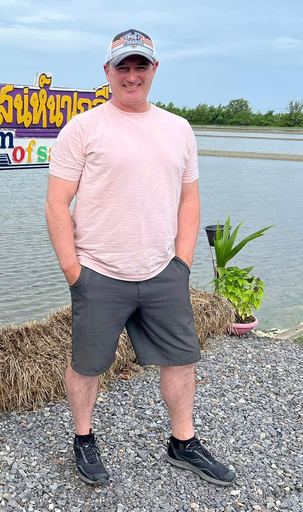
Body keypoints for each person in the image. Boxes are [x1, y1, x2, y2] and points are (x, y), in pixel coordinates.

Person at [45, 28, 236, 487]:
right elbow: (56, 205)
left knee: (181, 359)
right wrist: (75, 272)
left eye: (141, 66)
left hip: (162, 272)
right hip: (99, 273)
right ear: (107, 72)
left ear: (154, 69)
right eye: (123, 66)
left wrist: (182, 263)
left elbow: (190, 200)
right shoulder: (83, 129)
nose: (132, 75)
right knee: (87, 364)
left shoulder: (178, 129)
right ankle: (84, 437)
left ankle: (183, 442)